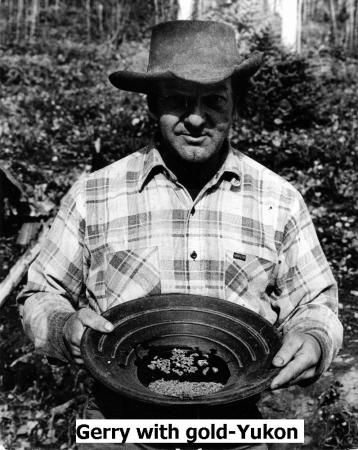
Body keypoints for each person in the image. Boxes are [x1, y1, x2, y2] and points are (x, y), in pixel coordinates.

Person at [18, 20, 343, 450]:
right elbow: (39, 293)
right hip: (120, 430)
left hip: (240, 430)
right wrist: (63, 327)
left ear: (236, 106)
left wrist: (314, 339)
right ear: (152, 103)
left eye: (214, 100)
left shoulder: (278, 199)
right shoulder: (93, 195)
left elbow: (316, 303)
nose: (195, 118)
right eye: (178, 100)